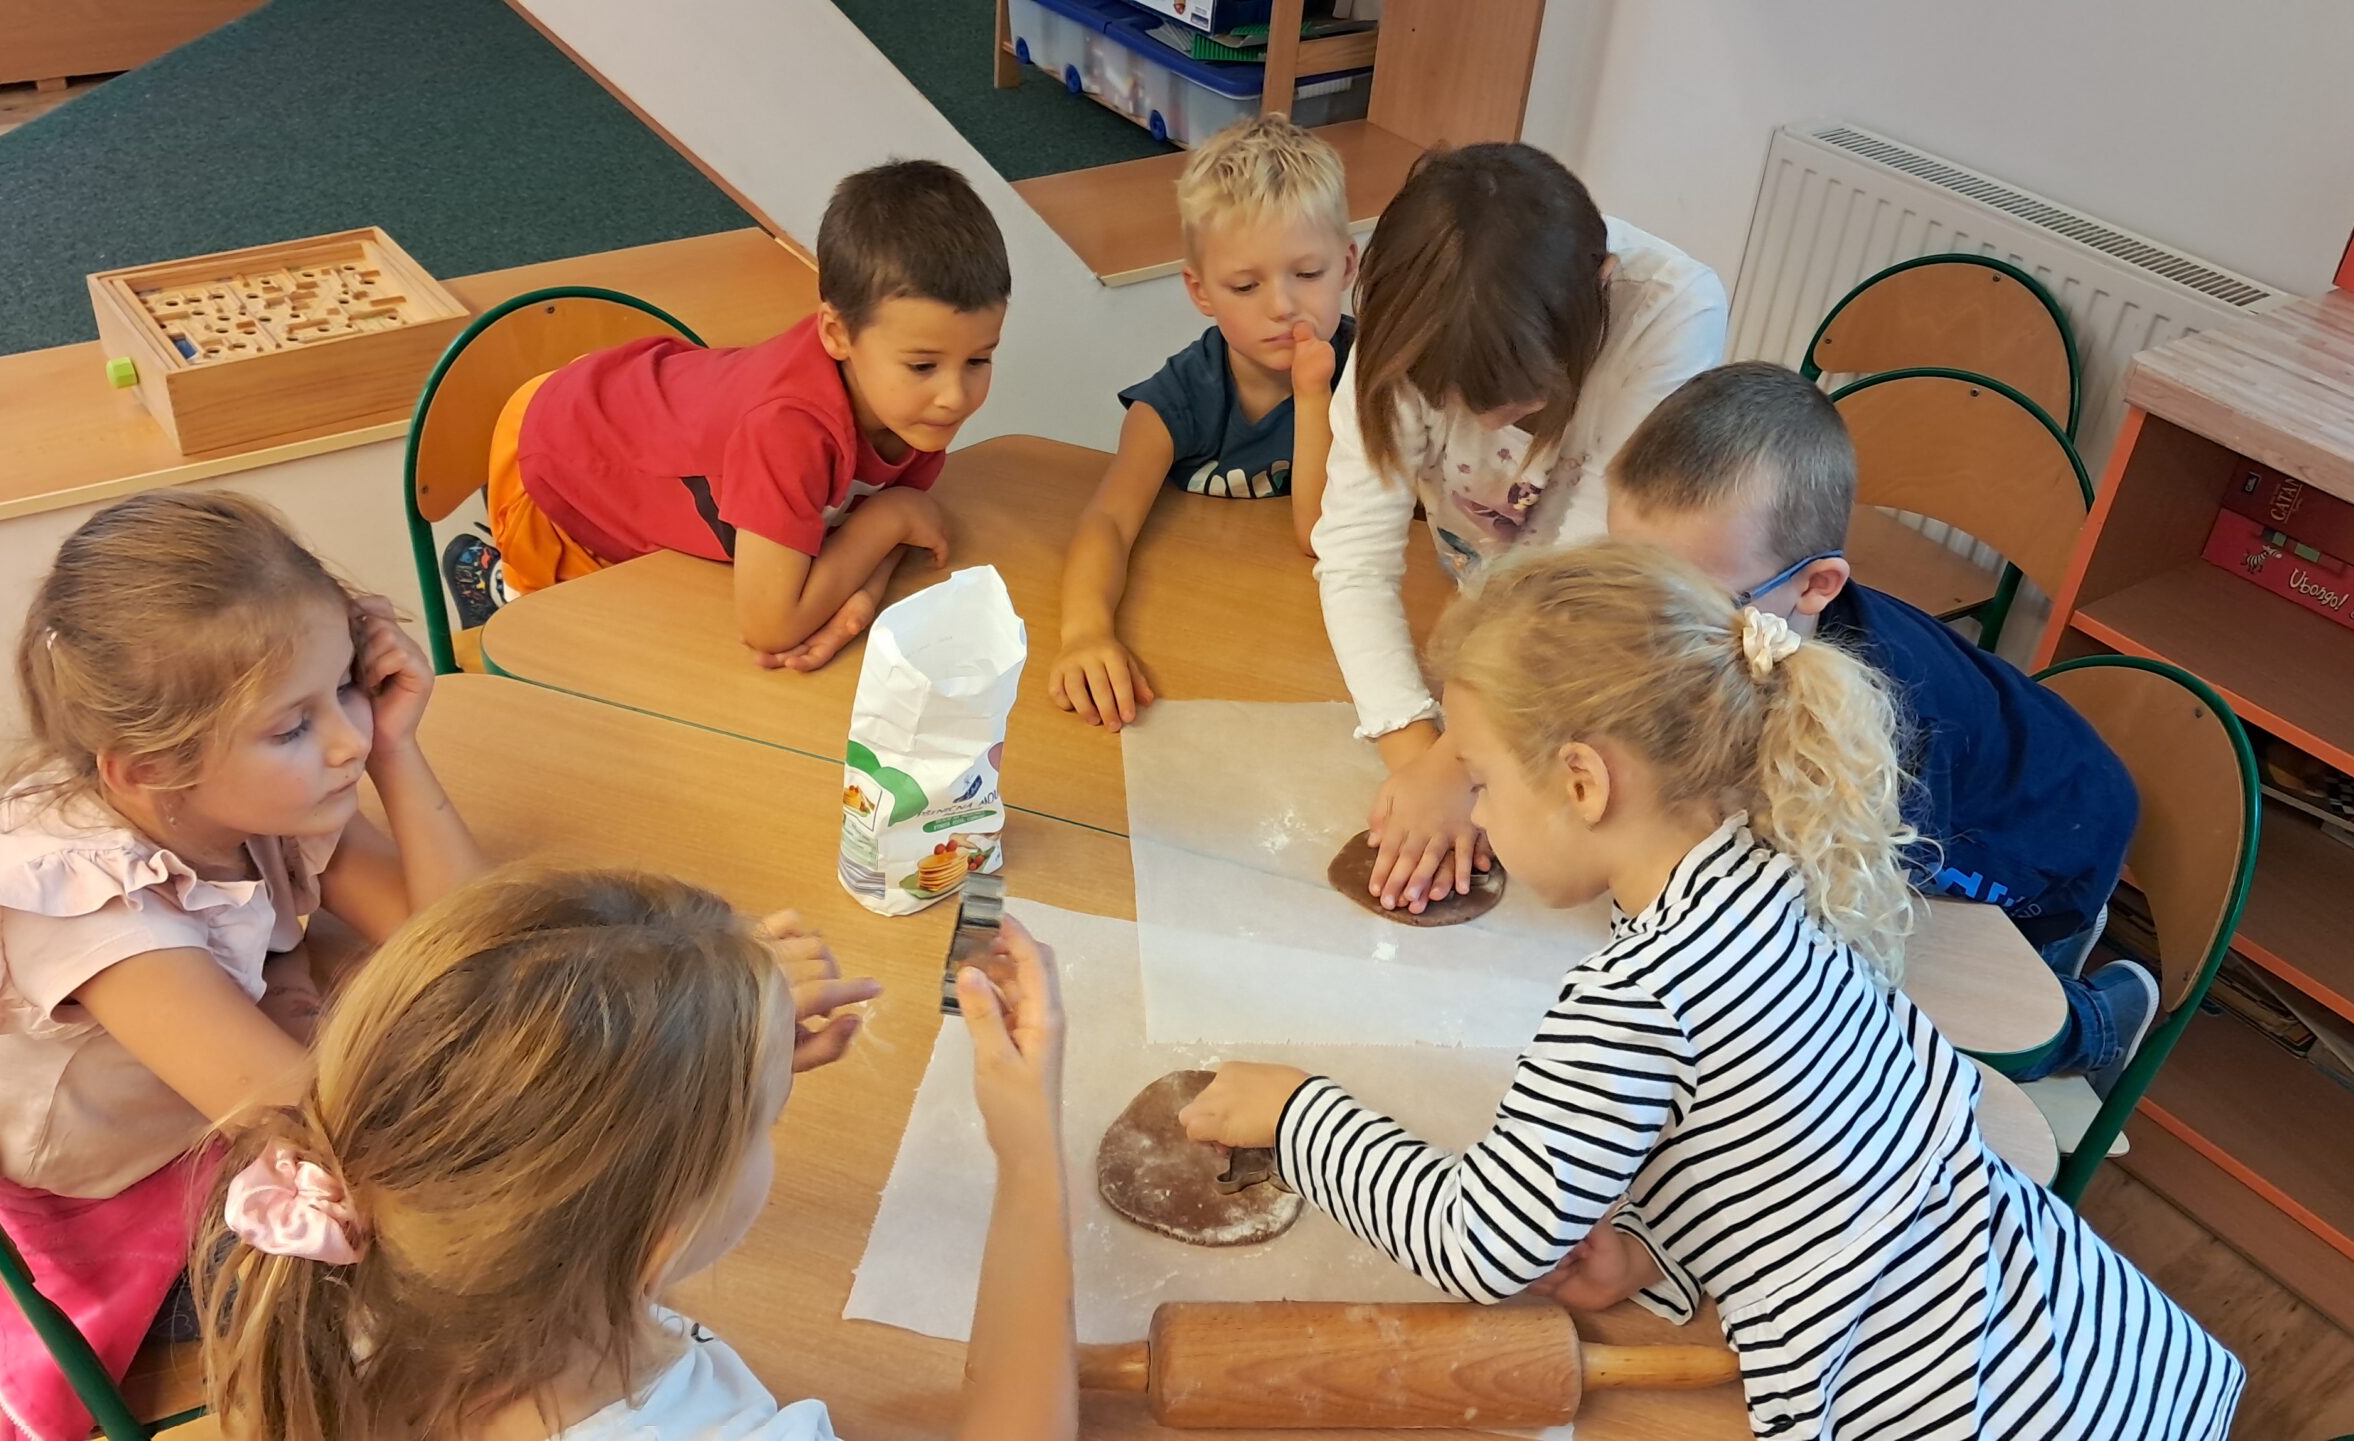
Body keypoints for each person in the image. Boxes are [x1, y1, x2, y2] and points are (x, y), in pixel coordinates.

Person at [1180, 542, 2244, 1438]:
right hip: (2089, 1344)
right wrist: (1650, 1250)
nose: (1481, 815)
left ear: (1584, 782)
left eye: (1484, 781)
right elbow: (1793, 1144)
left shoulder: (1636, 997)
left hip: (1956, 1409)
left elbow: (1483, 1244)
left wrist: (1298, 1115)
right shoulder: (1778, 871)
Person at [0, 490, 486, 1440]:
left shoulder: (235, 787)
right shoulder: (99, 915)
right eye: (293, 725)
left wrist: (397, 749)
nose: (346, 738)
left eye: (345, 684)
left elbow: (466, 935)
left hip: (226, 1096)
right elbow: (324, 1126)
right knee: (421, 1279)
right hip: (114, 1205)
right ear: (146, 768)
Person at [196, 867, 1075, 1441]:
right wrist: (1031, 1150)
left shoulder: (362, 1269)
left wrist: (697, 1065)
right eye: (767, 1120)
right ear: (660, 1229)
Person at [1606, 362, 2150, 1090]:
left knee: (1901, 1023)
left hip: (2048, 838)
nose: (1650, 630)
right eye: (1626, 581)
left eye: (1691, 604)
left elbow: (1857, 911)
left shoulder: (1881, 729)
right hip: (1987, 770)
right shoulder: (1750, 607)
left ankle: (2094, 1020)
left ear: (1815, 586)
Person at [1313, 143, 1726, 914]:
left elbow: (1585, 578)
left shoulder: (1673, 311)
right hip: (1490, 614)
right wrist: (1417, 757)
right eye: (1453, 401)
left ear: (1600, 289)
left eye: (1522, 399)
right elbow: (1354, 558)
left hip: (1610, 628)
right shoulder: (1417, 319)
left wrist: (1461, 760)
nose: (1483, 422)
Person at [448, 159, 1011, 673]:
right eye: (923, 366)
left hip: (640, 415)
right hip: (561, 459)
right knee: (575, 663)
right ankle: (492, 577)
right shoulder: (788, 429)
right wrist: (891, 524)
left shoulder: (907, 401)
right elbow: (770, 627)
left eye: (979, 360)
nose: (954, 396)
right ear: (838, 335)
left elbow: (866, 531)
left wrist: (861, 592)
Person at [1050, 115, 1357, 729]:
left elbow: (1320, 534)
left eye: (1308, 274)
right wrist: (1085, 633)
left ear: (1347, 265)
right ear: (1201, 291)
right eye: (1245, 286)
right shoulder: (1176, 400)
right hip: (1196, 631)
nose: (1282, 305)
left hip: (1318, 646)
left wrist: (1313, 395)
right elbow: (1108, 520)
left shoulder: (1373, 378)